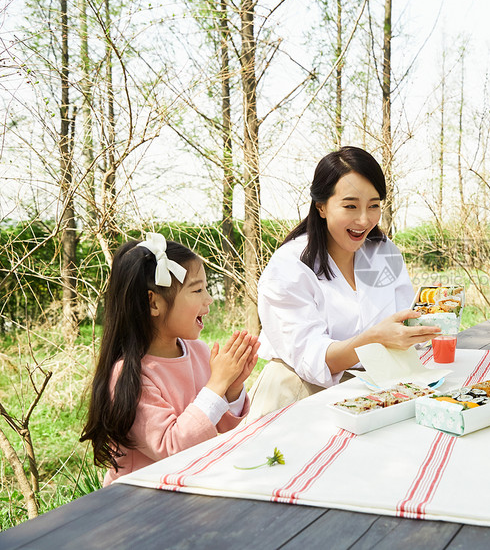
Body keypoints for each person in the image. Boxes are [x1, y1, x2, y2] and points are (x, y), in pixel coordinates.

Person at [247, 146, 439, 420]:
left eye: (374, 206)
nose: (364, 220)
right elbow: (310, 359)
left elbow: (403, 325)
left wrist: (422, 328)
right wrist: (371, 340)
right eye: (350, 206)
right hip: (298, 397)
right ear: (321, 206)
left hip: (374, 392)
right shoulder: (289, 266)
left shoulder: (383, 253)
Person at [81, 233, 260, 485]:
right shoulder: (130, 375)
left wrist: (232, 389)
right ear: (153, 303)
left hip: (194, 484)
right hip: (141, 500)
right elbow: (172, 447)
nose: (208, 300)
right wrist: (216, 385)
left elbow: (223, 432)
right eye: (197, 290)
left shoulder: (197, 350)